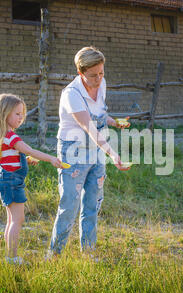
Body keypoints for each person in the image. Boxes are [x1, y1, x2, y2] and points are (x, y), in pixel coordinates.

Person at [47, 46, 130, 259]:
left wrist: (113, 122)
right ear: (80, 73)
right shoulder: (71, 95)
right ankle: (54, 254)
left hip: (97, 150)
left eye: (102, 73)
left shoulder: (101, 85)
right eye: (93, 75)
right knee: (69, 204)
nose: (99, 79)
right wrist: (113, 153)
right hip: (73, 152)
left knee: (93, 202)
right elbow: (89, 128)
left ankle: (89, 253)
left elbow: (99, 116)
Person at [0, 93, 64, 265]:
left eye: (22, 114)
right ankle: (12, 258)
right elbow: (28, 149)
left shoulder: (3, 134)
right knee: (17, 220)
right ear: (5, 113)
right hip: (12, 182)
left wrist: (25, 160)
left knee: (11, 220)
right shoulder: (12, 136)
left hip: (7, 180)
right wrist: (50, 158)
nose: (21, 118)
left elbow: (9, 157)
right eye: (17, 114)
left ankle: (9, 256)